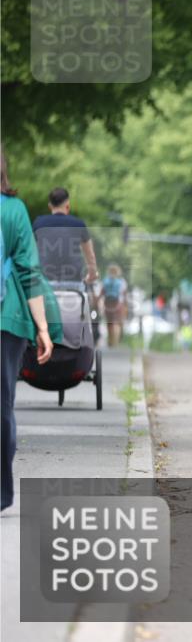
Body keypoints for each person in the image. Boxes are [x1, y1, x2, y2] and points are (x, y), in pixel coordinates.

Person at [2, 148, 58, 512]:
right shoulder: (13, 210)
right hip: (6, 318)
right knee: (2, 402)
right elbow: (28, 272)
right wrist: (43, 327)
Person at [32, 187, 99, 284]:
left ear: (50, 206)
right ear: (67, 205)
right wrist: (92, 275)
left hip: (45, 281)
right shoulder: (79, 224)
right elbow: (90, 256)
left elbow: (29, 252)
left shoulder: (38, 223)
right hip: (73, 280)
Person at [102, 263, 128, 347]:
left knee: (109, 323)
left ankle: (110, 340)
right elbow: (124, 295)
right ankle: (116, 341)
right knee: (117, 323)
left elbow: (102, 292)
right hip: (118, 304)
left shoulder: (105, 281)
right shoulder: (121, 281)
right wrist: (126, 306)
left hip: (107, 304)